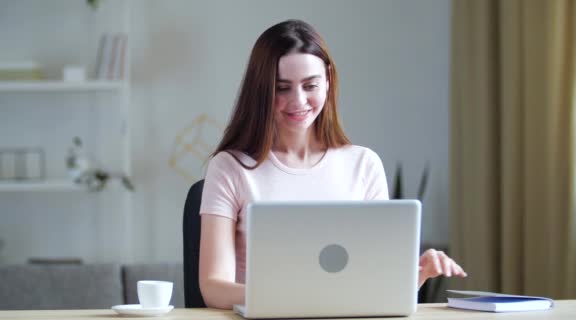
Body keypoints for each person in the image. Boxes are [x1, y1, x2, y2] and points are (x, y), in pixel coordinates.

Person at [199, 19, 467, 309]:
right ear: (262, 90)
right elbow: (214, 288)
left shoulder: (363, 164)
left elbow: (376, 286)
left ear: (328, 80)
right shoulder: (230, 167)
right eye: (282, 88)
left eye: (310, 85)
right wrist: (298, 299)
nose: (298, 101)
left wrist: (418, 274)